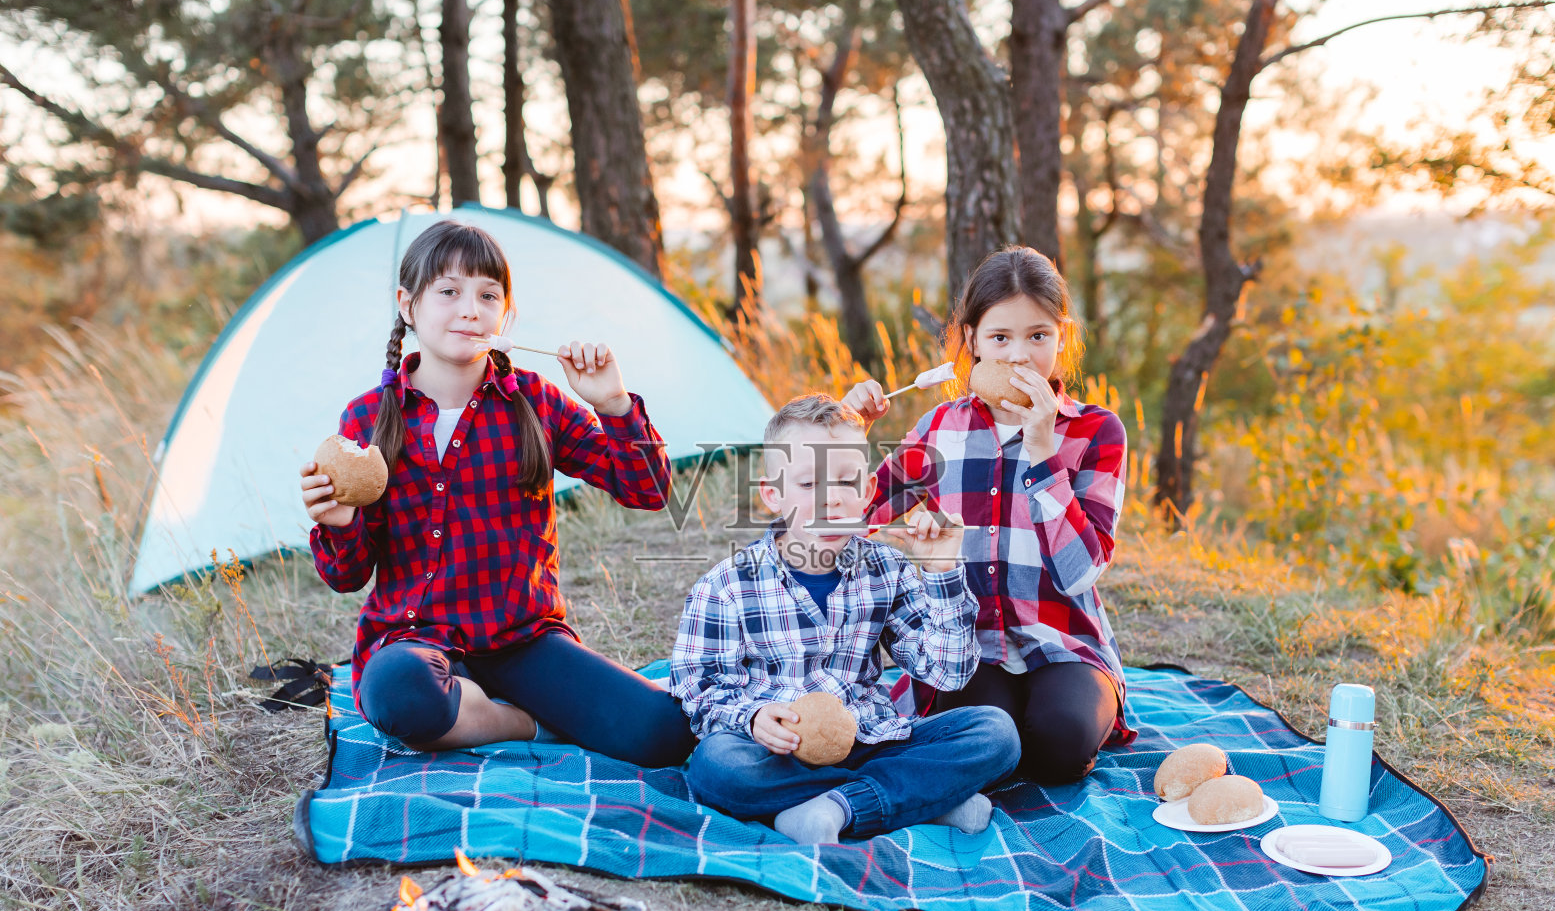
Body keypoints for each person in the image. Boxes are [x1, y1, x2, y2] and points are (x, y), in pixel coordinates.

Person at [299, 219, 694, 766]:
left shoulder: (535, 401)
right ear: (407, 305)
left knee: (664, 733)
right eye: (449, 292)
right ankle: (524, 723)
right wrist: (340, 523)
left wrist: (614, 404)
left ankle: (477, 710)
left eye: (488, 295)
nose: (470, 310)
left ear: (505, 314)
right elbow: (347, 577)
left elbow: (648, 490)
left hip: (523, 639)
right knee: (397, 691)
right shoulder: (367, 418)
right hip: (415, 642)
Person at [669, 394, 1020, 844]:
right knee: (717, 767)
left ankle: (835, 808)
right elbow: (696, 687)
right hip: (778, 756)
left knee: (996, 734)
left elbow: (946, 674)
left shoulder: (887, 569)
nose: (831, 500)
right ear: (773, 495)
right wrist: (753, 717)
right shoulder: (727, 585)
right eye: (808, 484)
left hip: (872, 741)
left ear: (868, 491)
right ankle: (918, 798)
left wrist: (941, 572)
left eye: (846, 482)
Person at [843, 246, 1136, 784]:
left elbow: (1081, 573)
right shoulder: (940, 428)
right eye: (1000, 338)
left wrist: (1043, 451)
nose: (1020, 356)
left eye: (1038, 335)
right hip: (967, 645)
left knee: (1060, 746)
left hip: (1063, 640)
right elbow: (852, 520)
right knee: (985, 741)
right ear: (972, 340)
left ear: (1063, 337)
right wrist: (847, 437)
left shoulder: (1097, 432)